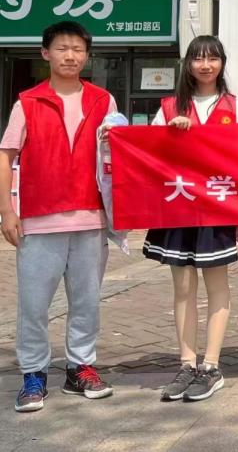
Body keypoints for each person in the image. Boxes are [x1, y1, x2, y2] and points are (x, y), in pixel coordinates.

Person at [0, 21, 117, 412]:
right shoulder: (28, 102)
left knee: (87, 301)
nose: (70, 56)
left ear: (87, 56)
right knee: (34, 304)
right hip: (39, 220)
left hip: (90, 218)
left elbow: (117, 156)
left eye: (78, 49)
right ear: (45, 53)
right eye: (62, 48)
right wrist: (7, 211)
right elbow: (6, 156)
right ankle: (33, 374)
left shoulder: (103, 101)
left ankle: (80, 367)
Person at [143, 35, 238, 402]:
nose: (205, 65)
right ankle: (186, 364)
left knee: (217, 285)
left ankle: (212, 366)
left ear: (222, 63)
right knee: (184, 288)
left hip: (218, 207)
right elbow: (148, 151)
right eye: (198, 58)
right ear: (188, 64)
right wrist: (166, 135)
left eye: (212, 58)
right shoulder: (169, 107)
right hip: (179, 206)